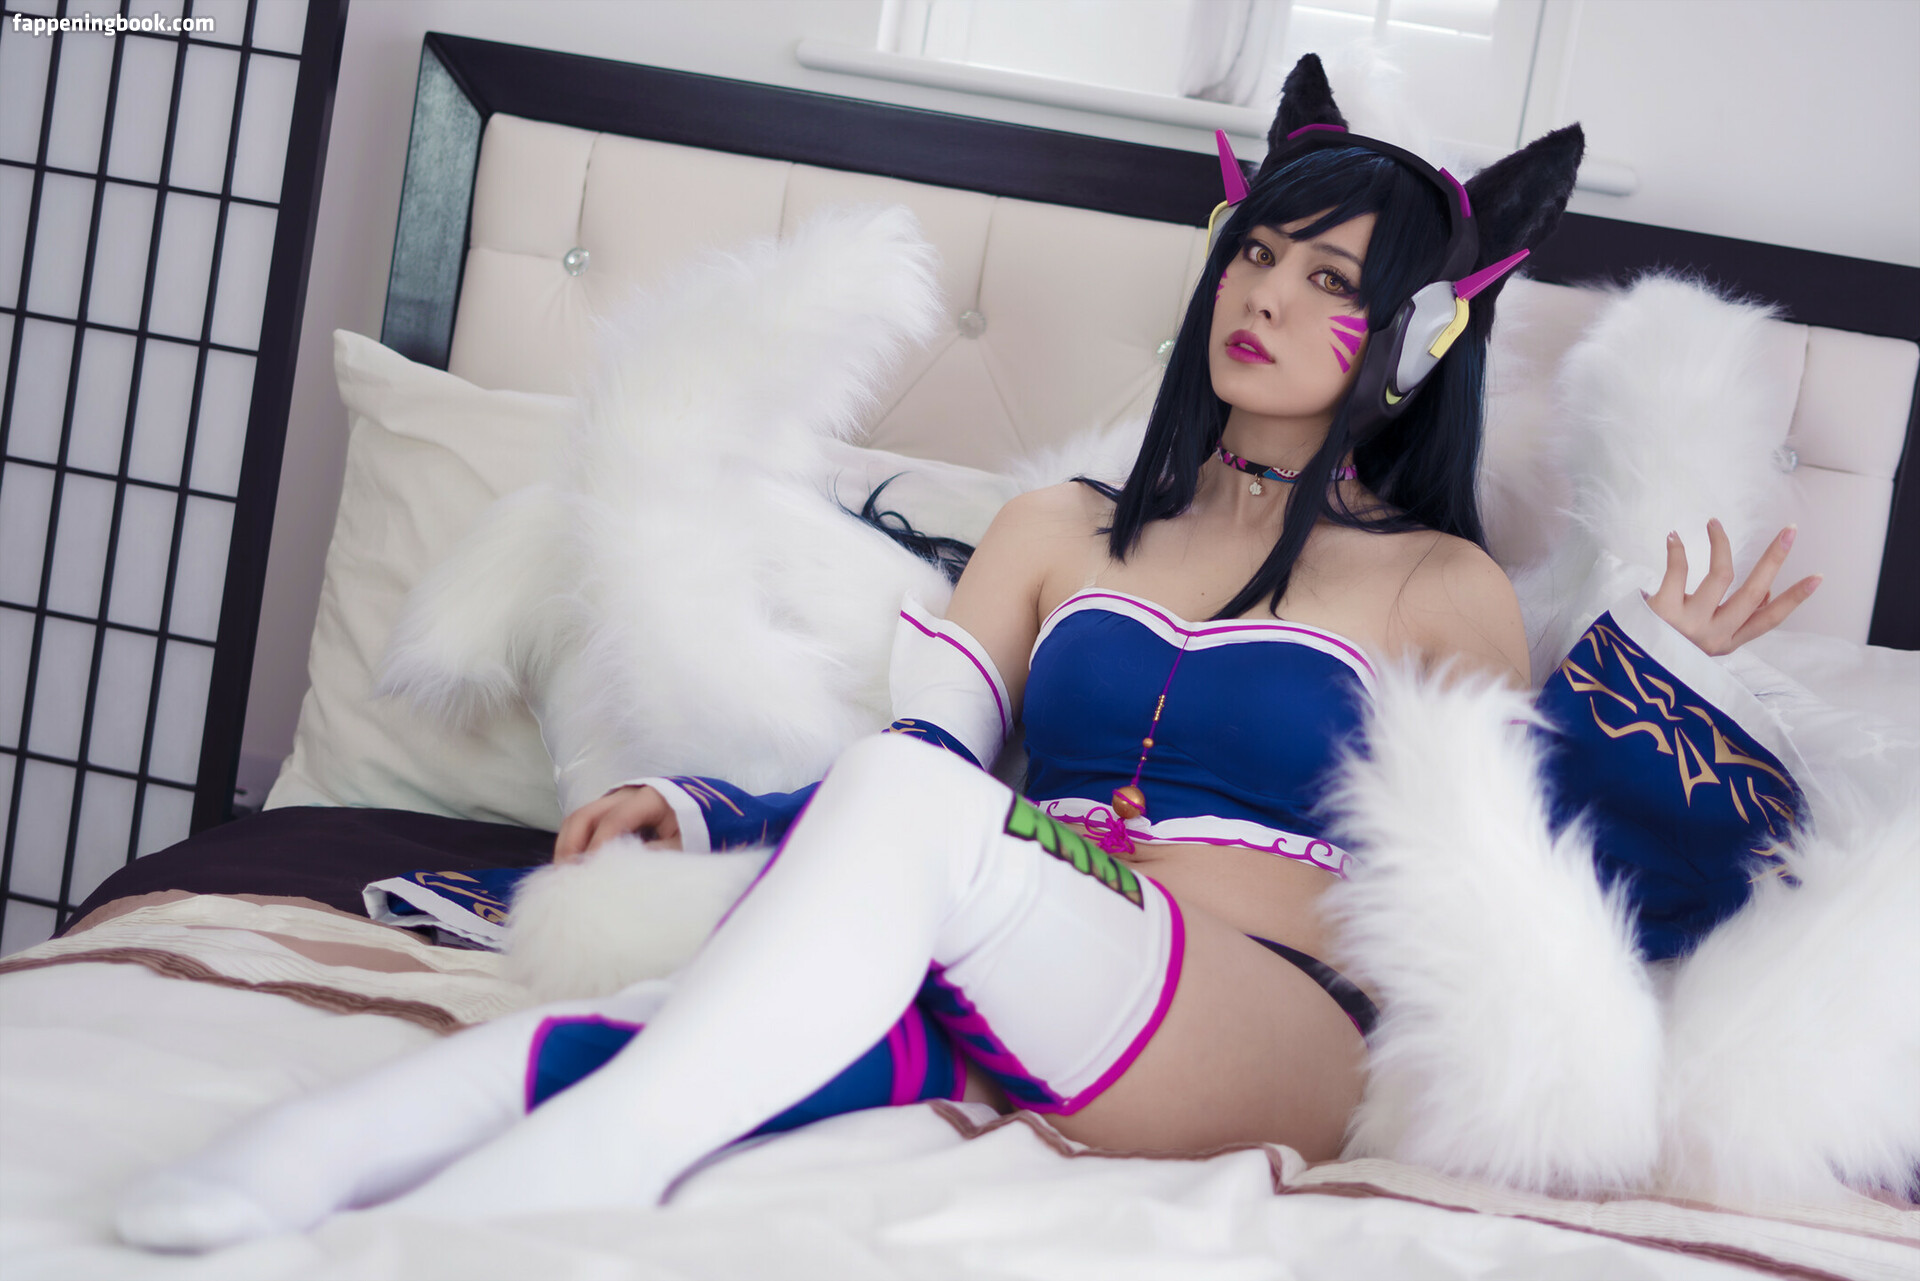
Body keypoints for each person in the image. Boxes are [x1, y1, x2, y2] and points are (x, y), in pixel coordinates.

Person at [115, 56, 1816, 1250]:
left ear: (1416, 345)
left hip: (1269, 1025)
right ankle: (305, 1155)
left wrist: (1663, 675)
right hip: (1013, 941)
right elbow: (920, 763)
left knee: (898, 850)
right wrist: (703, 811)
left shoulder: (1437, 582)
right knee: (720, 994)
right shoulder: (1058, 529)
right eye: (1258, 252)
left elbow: (1532, 892)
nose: (1269, 297)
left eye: (1330, 280)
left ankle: (592, 1171)